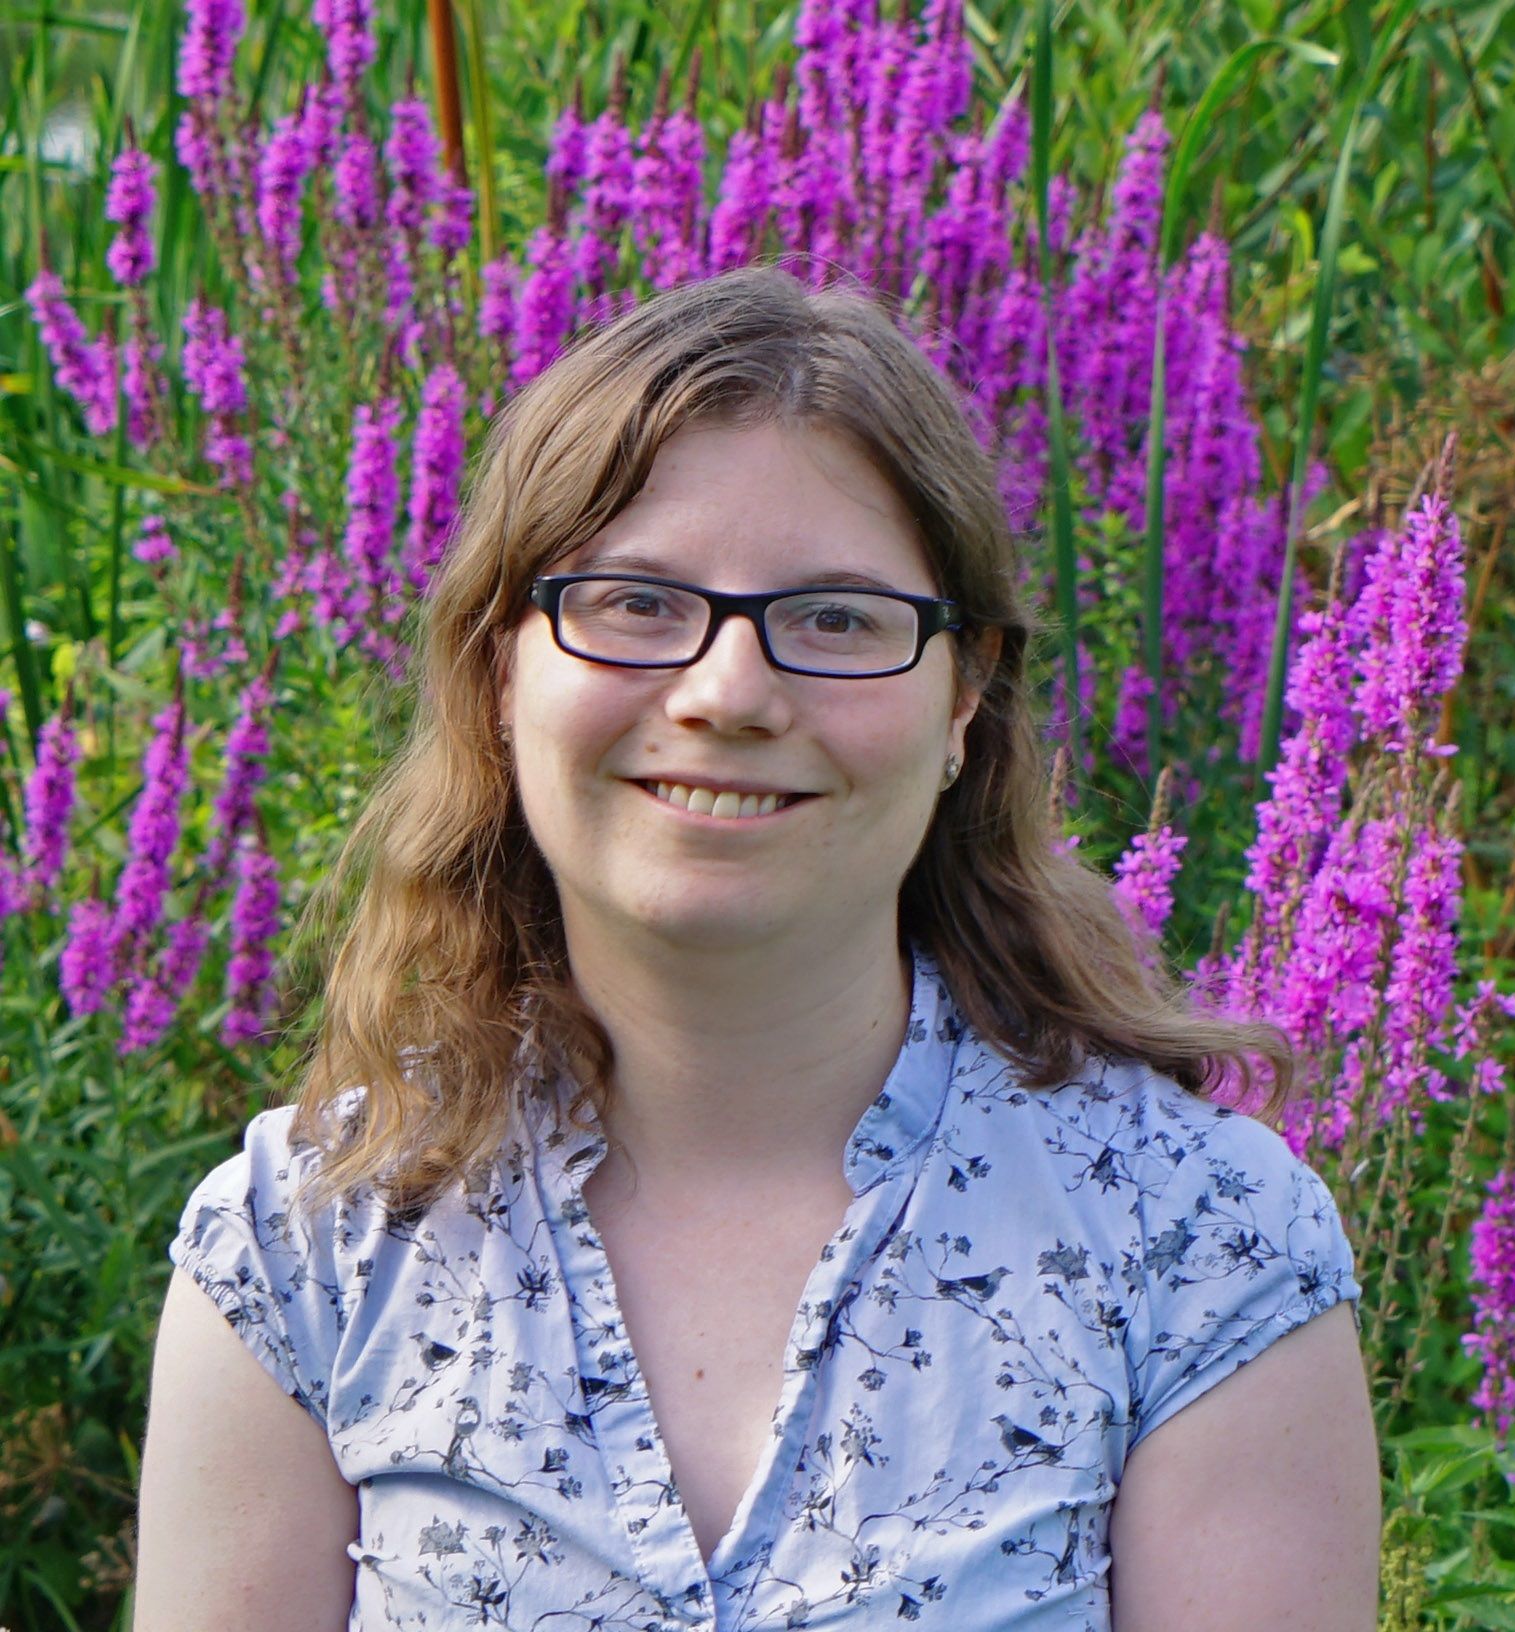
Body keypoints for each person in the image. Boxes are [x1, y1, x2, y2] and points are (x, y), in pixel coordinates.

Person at [135, 265, 1379, 1630]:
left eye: (838, 618)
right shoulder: (304, 1248)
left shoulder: (1197, 1245)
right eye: (635, 602)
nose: (728, 692)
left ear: (963, 701)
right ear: (503, 674)